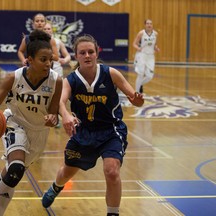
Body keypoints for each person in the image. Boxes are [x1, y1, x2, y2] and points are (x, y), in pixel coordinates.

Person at [41, 34, 144, 216]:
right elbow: (60, 102)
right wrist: (65, 116)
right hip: (84, 132)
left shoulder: (111, 74)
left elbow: (136, 101)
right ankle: (56, 187)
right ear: (77, 56)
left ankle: (113, 213)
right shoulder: (71, 80)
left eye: (91, 52)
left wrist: (137, 100)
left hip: (111, 131)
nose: (87, 55)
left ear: (97, 53)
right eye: (82, 53)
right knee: (67, 172)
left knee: (112, 171)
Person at [0, 29, 62, 216]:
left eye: (50, 59)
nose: (48, 64)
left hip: (39, 133)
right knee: (16, 169)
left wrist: (53, 118)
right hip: (15, 123)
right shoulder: (14, 78)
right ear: (30, 59)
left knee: (10, 174)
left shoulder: (55, 81)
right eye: (43, 59)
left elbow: (53, 115)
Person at [133, 19, 160, 93]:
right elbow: (134, 44)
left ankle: (140, 84)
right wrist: (138, 48)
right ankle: (137, 92)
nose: (149, 25)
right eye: (147, 23)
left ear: (152, 25)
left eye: (150, 23)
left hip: (151, 56)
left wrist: (156, 48)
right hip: (142, 55)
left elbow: (155, 45)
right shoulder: (141, 33)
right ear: (145, 25)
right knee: (140, 74)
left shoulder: (155, 34)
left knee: (149, 76)